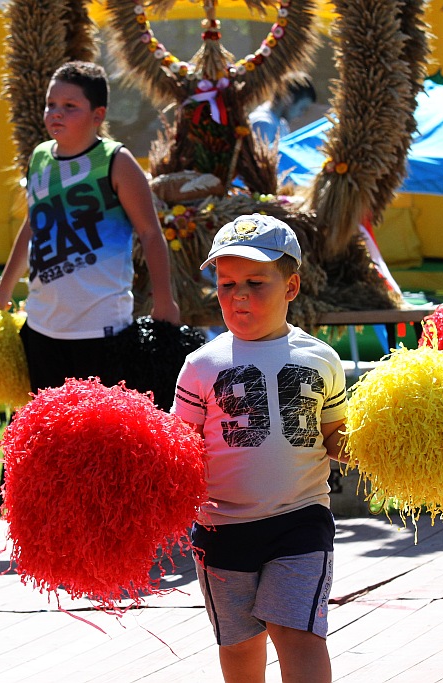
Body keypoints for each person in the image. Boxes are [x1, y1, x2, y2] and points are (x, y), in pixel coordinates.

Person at [171, 214, 347, 682]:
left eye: (255, 281)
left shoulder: (320, 358)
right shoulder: (200, 365)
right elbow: (181, 450)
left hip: (301, 520)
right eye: (226, 284)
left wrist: (378, 446)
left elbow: (335, 435)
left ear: (291, 287)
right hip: (222, 527)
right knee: (241, 647)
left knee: (300, 634)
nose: (239, 295)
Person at [0, 61, 180, 391]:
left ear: (98, 116)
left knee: (101, 438)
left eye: (70, 107)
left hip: (103, 328)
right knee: (50, 435)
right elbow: (32, 225)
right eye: (51, 105)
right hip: (42, 327)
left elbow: (149, 233)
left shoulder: (116, 161)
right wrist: (3, 290)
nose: (56, 113)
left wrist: (164, 300)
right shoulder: (40, 157)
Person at [247, 73, 316, 145]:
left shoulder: (281, 123)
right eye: (302, 108)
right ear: (288, 98)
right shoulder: (264, 124)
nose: (301, 115)